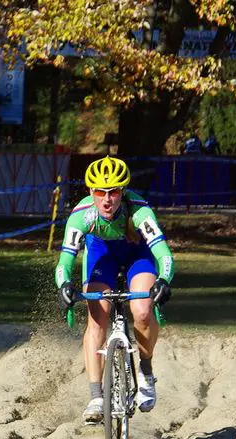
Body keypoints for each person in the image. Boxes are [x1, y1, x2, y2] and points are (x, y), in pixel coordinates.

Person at [54, 156, 175, 424]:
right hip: (101, 254)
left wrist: (164, 279)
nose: (107, 199)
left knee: (142, 310)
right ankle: (96, 395)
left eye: (114, 192)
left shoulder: (140, 211)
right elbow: (64, 262)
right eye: (100, 192)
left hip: (137, 254)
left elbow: (164, 254)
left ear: (123, 192)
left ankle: (145, 370)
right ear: (90, 193)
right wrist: (64, 285)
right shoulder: (81, 216)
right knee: (97, 318)